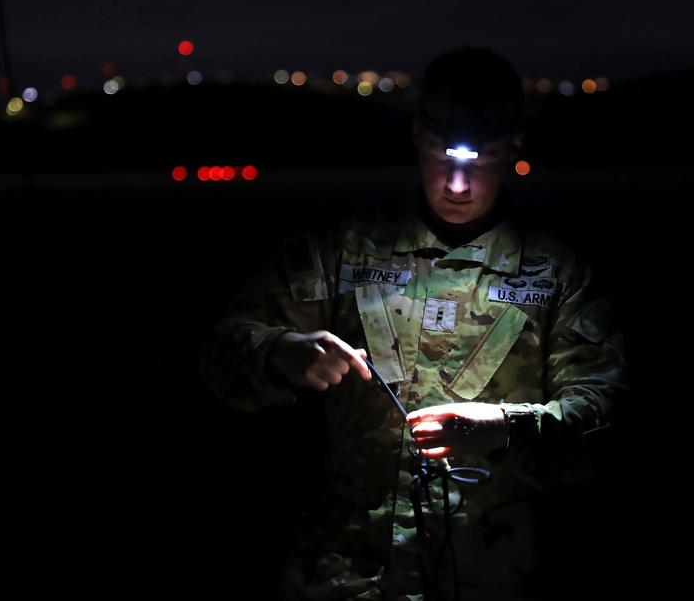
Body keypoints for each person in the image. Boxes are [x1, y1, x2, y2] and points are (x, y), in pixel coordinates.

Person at [198, 46, 629, 601]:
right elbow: (222, 351)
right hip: (347, 579)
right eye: (438, 157)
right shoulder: (347, 253)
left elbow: (605, 416)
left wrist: (501, 427)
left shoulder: (558, 272)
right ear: (416, 142)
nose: (455, 184)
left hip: (491, 579)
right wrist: (283, 351)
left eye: (478, 161)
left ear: (514, 149)